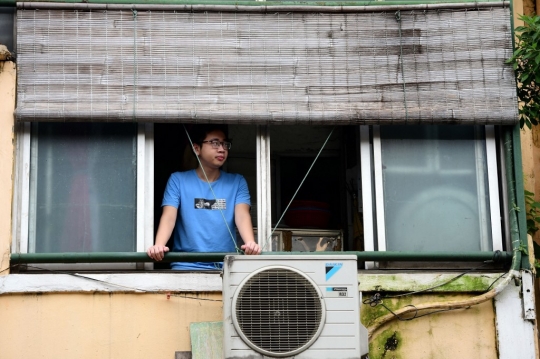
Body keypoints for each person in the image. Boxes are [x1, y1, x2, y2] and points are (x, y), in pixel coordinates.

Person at [147, 124, 261, 269]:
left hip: (226, 267)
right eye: (214, 143)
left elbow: (242, 216)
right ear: (196, 148)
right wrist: (159, 245)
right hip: (185, 266)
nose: (222, 149)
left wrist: (250, 243)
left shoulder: (237, 182)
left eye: (225, 144)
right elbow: (169, 217)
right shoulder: (178, 180)